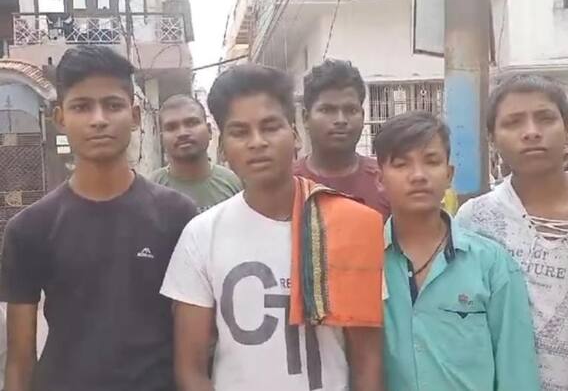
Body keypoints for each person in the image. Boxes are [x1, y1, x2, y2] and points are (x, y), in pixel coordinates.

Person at [160, 64, 386, 391]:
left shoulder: (349, 224)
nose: (257, 142)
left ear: (295, 135)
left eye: (270, 127)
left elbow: (367, 360)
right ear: (222, 148)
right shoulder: (201, 235)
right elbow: (191, 369)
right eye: (240, 132)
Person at [0, 46, 197, 391]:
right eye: (81, 106)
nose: (99, 119)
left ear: (134, 115)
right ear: (60, 118)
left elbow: (192, 351)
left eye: (113, 105)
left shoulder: (177, 216)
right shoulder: (29, 229)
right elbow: (19, 360)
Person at [377, 111, 540, 391]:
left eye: (431, 161)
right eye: (402, 164)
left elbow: (517, 373)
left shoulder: (491, 264)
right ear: (380, 179)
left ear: (449, 174)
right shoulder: (364, 263)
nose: (418, 176)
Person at [457, 75, 568, 391]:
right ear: (492, 139)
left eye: (545, 118)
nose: (531, 132)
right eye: (513, 122)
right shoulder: (475, 220)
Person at [294, 59, 389, 217]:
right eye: (327, 110)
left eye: (351, 110)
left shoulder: (386, 182)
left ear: (363, 116)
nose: (341, 120)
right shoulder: (286, 184)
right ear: (305, 118)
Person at [150, 95, 241, 213]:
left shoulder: (233, 183)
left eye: (192, 123)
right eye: (171, 127)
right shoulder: (151, 188)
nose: (182, 133)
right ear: (162, 139)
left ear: (209, 131)